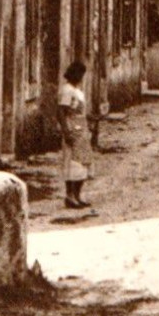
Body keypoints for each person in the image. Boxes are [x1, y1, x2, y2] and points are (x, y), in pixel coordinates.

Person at [58, 60, 95, 209]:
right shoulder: (66, 89)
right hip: (72, 127)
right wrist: (66, 131)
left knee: (84, 161)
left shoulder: (78, 90)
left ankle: (78, 195)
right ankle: (69, 196)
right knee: (72, 163)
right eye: (79, 73)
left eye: (82, 74)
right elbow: (61, 111)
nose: (81, 76)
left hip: (82, 128)